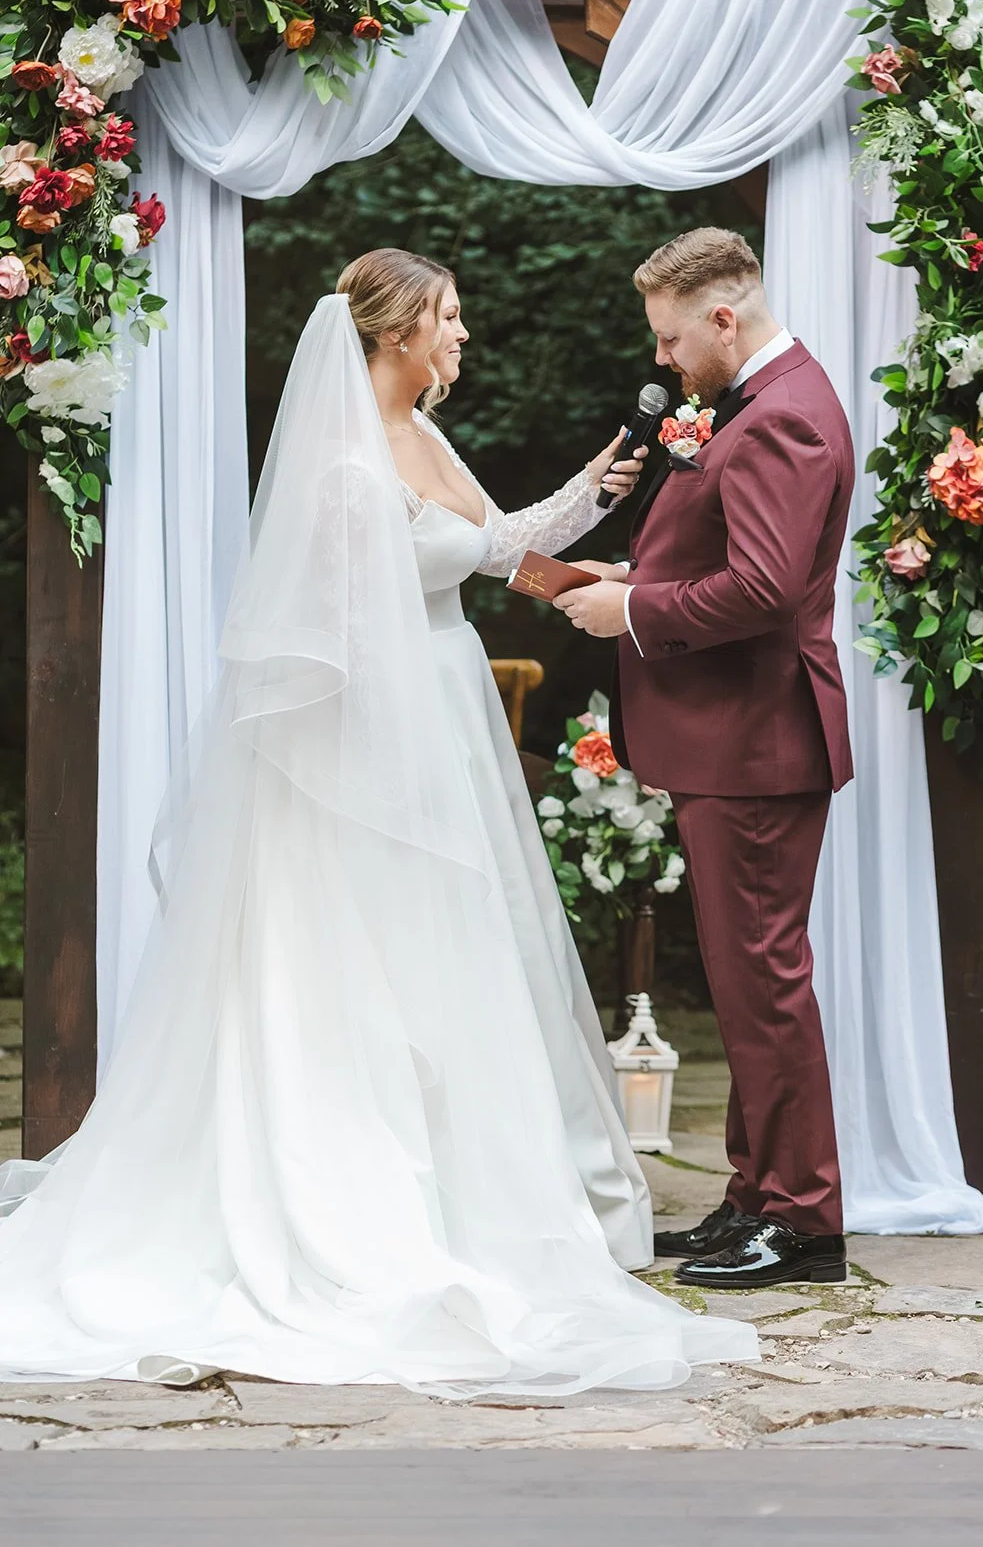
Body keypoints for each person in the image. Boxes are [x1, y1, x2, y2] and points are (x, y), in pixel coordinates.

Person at [0, 249, 757, 1391]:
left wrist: (586, 502)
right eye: (449, 318)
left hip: (446, 723)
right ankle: (362, 1198)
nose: (462, 337)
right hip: (378, 749)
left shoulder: (422, 435)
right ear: (397, 330)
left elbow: (487, 547)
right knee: (369, 965)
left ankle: (475, 1186)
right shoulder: (342, 462)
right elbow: (346, 624)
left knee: (459, 959)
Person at [557, 227, 854, 1290]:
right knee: (742, 985)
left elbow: (764, 587)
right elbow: (717, 554)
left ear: (723, 318)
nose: (663, 362)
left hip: (757, 739)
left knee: (764, 984)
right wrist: (628, 568)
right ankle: (755, 1196)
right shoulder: (751, 402)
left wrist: (630, 608)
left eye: (672, 339)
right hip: (737, 738)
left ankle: (805, 1220)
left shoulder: (782, 418)